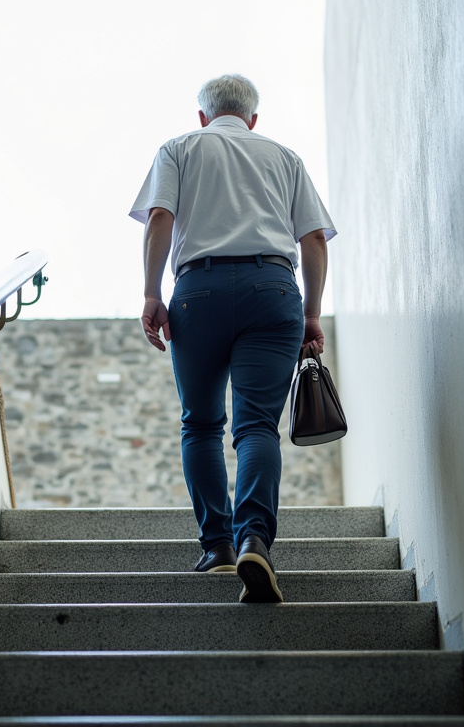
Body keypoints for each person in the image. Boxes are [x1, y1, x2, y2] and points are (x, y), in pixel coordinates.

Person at [128, 74, 335, 603]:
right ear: (254, 119)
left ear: (203, 116)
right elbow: (312, 238)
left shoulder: (179, 148)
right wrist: (311, 314)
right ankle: (256, 542)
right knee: (258, 426)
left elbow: (159, 219)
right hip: (273, 288)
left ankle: (217, 547)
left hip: (200, 289)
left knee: (200, 424)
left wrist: (152, 293)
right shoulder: (284, 157)